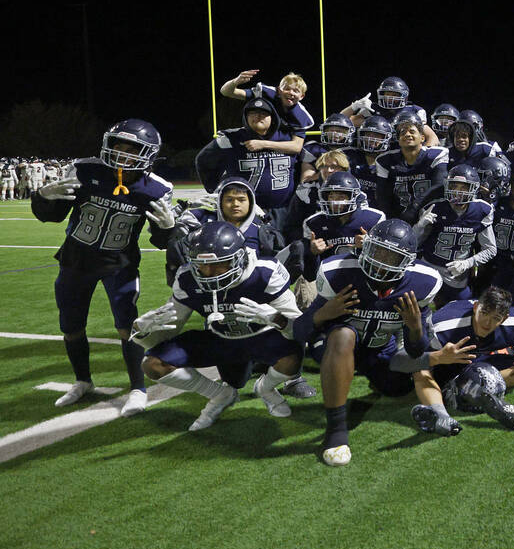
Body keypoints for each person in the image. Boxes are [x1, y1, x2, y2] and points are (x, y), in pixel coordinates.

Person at [31, 120, 174, 417]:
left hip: (118, 264)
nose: (122, 153)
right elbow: (53, 216)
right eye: (118, 145)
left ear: (148, 153)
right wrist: (42, 198)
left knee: (127, 327)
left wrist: (168, 230)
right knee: (71, 327)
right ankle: (82, 380)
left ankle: (137, 389)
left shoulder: (156, 188)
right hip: (75, 261)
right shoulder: (86, 170)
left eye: (131, 148)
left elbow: (161, 241)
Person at [292, 219, 443, 466]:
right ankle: (336, 430)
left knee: (396, 388)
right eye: (377, 251)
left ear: (407, 262)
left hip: (379, 349)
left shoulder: (421, 283)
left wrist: (415, 327)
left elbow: (416, 351)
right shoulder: (340, 272)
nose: (381, 261)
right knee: (343, 335)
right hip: (336, 347)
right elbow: (300, 331)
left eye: (391, 257)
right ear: (366, 246)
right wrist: (323, 313)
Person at [132, 221, 303, 431]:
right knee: (153, 363)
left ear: (239, 259)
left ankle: (266, 389)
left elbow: (301, 330)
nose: (209, 271)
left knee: (294, 355)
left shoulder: (264, 273)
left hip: (261, 338)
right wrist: (143, 331)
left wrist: (278, 319)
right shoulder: (188, 278)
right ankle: (219, 394)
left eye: (219, 264)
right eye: (202, 264)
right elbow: (167, 332)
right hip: (219, 338)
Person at [408, 286, 514, 435]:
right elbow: (417, 360)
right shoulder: (445, 325)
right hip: (444, 364)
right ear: (476, 307)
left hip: (476, 360)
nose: (487, 323)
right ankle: (441, 414)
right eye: (484, 313)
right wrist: (440, 357)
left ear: (504, 318)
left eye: (496, 318)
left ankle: (463, 392)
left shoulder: (513, 325)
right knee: (419, 369)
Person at [195, 96, 305, 224]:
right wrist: (217, 188)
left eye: (263, 113)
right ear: (245, 117)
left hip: (283, 210)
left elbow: (301, 164)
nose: (257, 116)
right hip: (246, 213)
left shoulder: (288, 138)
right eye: (252, 113)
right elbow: (203, 162)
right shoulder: (232, 139)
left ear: (273, 117)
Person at [413, 164, 497, 303]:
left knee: (462, 308)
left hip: (456, 273)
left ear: (474, 188)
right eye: (454, 186)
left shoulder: (481, 210)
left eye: (463, 187)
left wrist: (467, 263)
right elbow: (413, 243)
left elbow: (491, 249)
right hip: (429, 265)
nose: (458, 192)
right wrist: (419, 226)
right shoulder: (434, 208)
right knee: (417, 304)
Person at [374, 110, 449, 221]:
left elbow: (438, 188)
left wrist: (414, 208)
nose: (407, 134)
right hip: (400, 217)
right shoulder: (385, 160)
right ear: (398, 139)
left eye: (412, 131)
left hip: (430, 215)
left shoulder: (436, 155)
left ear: (422, 138)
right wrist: (391, 219)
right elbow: (383, 197)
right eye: (403, 132)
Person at [303, 172, 385, 263]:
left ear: (354, 197)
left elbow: (384, 258)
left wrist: (371, 246)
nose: (334, 202)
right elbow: (309, 272)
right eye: (331, 196)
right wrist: (312, 252)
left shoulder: (374, 219)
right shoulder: (313, 223)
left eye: (341, 197)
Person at [219, 70, 315, 132]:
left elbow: (296, 146)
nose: (291, 93)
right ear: (278, 90)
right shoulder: (267, 93)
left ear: (302, 96)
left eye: (296, 91)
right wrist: (235, 81)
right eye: (287, 88)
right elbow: (226, 92)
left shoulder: (301, 116)